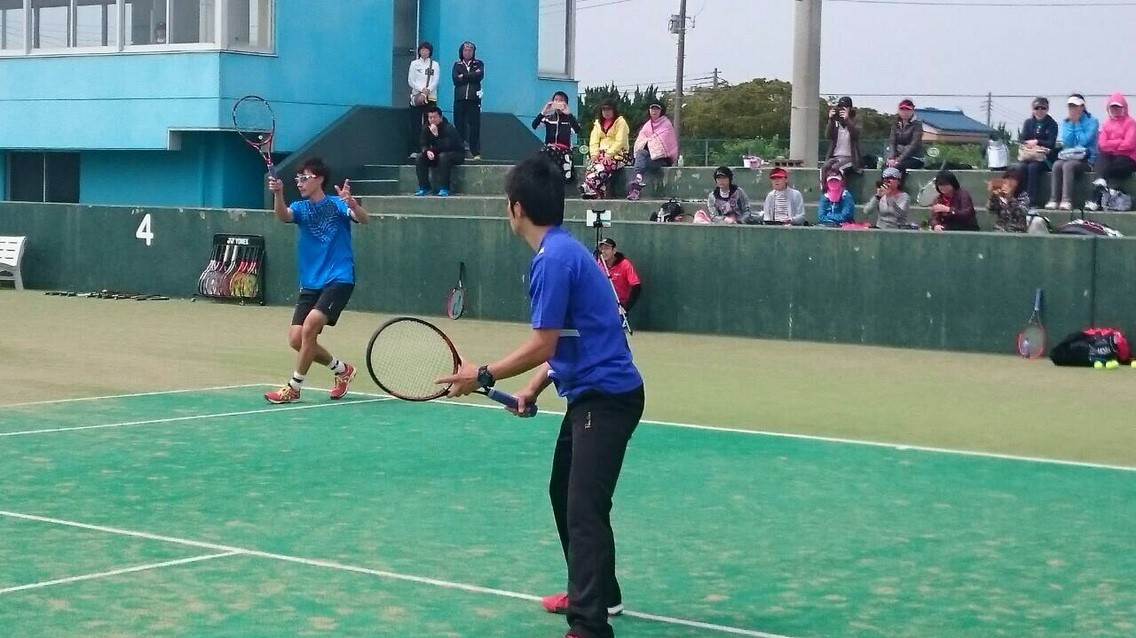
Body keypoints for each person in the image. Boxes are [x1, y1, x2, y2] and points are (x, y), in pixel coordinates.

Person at [436, 155, 644, 638]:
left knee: (584, 509)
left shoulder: (552, 260)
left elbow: (543, 343)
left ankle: (588, 626)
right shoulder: (565, 251)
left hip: (606, 399)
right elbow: (571, 339)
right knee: (564, 493)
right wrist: (532, 387)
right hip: (594, 393)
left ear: (516, 208)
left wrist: (482, 374)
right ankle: (599, 592)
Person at [264, 158, 370, 404]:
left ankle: (294, 388)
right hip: (311, 282)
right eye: (297, 179)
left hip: (339, 278)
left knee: (310, 326)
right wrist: (278, 193)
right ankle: (342, 370)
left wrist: (353, 204)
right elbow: (283, 216)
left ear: (320, 179)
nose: (299, 183)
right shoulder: (300, 208)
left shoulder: (337, 204)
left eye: (305, 178)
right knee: (297, 340)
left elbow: (364, 219)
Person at [1045, 94, 1099, 211]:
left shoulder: (1093, 121)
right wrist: (1071, 124)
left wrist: (1077, 123)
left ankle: (1066, 200)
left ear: (1082, 107)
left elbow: (1084, 141)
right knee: (1057, 165)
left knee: (1068, 166)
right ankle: (1054, 199)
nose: (1073, 109)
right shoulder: (1066, 122)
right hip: (1070, 156)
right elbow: (1067, 143)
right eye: (1071, 106)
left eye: (1075, 106)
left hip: (1087, 159)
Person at [1086, 93, 1136, 211]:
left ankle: (1095, 199)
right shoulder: (1107, 124)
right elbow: (1102, 145)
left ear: (1123, 108)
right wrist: (1119, 142)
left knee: (1104, 169)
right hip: (1111, 158)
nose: (1115, 110)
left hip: (1127, 160)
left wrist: (1111, 143)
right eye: (1112, 107)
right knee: (1102, 158)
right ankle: (1101, 185)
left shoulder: (1131, 123)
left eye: (1118, 107)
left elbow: (1129, 144)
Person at [627, 102, 678, 201]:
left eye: (657, 109)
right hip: (647, 156)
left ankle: (636, 187)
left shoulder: (666, 124)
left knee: (642, 163)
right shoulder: (647, 125)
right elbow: (641, 142)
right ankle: (638, 180)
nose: (654, 111)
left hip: (663, 159)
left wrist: (650, 143)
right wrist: (648, 143)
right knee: (641, 153)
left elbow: (664, 143)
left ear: (661, 111)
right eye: (652, 109)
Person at [581, 99, 630, 200]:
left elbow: (620, 141)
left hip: (619, 154)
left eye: (609, 109)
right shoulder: (598, 124)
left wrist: (609, 154)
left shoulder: (621, 122)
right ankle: (595, 191)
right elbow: (594, 141)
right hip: (601, 153)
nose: (606, 112)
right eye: (604, 110)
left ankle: (589, 187)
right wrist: (594, 154)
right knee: (591, 167)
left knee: (603, 167)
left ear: (614, 110)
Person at [1016, 97, 1059, 206]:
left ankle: (1032, 199)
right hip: (1029, 155)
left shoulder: (1052, 124)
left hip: (1044, 157)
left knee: (1033, 168)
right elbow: (1022, 139)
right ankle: (1021, 196)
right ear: (1033, 109)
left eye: (1043, 108)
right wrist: (1028, 144)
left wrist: (1037, 142)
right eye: (1036, 108)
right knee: (1021, 167)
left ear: (1047, 109)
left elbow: (1051, 143)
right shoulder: (1028, 123)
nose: (1040, 111)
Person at [532, 91, 582, 183]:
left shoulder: (570, 119)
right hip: (549, 149)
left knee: (562, 162)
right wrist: (544, 112)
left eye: (561, 100)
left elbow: (577, 130)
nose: (558, 102)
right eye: (556, 100)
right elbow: (534, 125)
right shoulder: (548, 118)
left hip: (564, 150)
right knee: (543, 154)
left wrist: (569, 114)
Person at [415, 106, 464, 197]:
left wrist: (436, 135)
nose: (432, 120)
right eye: (430, 117)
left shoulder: (448, 128)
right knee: (420, 157)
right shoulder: (426, 128)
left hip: (455, 154)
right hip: (436, 154)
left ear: (440, 117)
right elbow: (423, 143)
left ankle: (445, 188)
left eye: (434, 117)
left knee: (443, 156)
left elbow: (448, 146)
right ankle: (424, 187)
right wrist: (426, 151)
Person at [988, 167, 1047, 234]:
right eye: (1007, 178)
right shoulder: (1001, 195)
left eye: (1013, 179)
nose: (1009, 181)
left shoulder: (1023, 196)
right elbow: (991, 210)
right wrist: (994, 196)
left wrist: (1010, 198)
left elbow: (1020, 212)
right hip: (1000, 229)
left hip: (1017, 230)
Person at [452, 41, 484, 160]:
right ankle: (460, 150)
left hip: (473, 100)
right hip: (460, 99)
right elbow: (456, 79)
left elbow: (479, 76)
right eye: (465, 50)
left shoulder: (478, 63)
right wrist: (471, 75)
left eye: (470, 50)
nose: (468, 52)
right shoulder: (457, 64)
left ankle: (475, 151)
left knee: (474, 125)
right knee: (459, 125)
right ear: (462, 51)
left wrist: (464, 76)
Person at [407, 41, 440, 157]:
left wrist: (427, 91)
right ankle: (415, 149)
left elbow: (436, 81)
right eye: (422, 50)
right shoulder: (414, 64)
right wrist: (421, 90)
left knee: (430, 124)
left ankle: (430, 148)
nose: (424, 52)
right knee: (415, 124)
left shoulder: (434, 64)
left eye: (427, 50)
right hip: (417, 98)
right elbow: (411, 81)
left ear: (430, 52)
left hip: (430, 97)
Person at [822, 96, 862, 185]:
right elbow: (828, 135)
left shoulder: (856, 121)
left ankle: (841, 190)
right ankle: (824, 190)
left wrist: (847, 120)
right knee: (825, 167)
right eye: (840, 107)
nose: (842, 110)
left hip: (850, 158)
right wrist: (831, 120)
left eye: (845, 107)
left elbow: (856, 135)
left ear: (849, 108)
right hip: (835, 156)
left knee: (836, 168)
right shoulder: (836, 121)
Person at [596, 238, 641, 315]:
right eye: (601, 249)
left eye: (607, 248)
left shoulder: (625, 264)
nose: (603, 251)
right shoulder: (598, 263)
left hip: (618, 306)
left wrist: (626, 308)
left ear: (614, 250)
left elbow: (636, 286)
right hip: (601, 304)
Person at [886, 99, 924, 186]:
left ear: (912, 111)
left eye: (907, 110)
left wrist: (898, 160)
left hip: (914, 158)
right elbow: (892, 141)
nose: (905, 112)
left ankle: (898, 189)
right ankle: (884, 190)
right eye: (902, 109)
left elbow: (914, 145)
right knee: (885, 167)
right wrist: (891, 158)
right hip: (897, 157)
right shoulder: (895, 123)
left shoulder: (917, 124)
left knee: (898, 168)